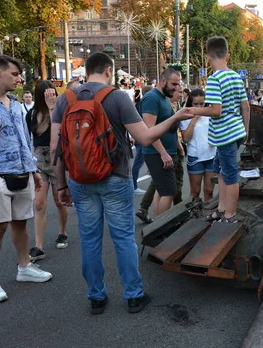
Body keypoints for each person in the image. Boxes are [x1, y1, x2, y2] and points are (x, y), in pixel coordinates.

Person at [51, 52, 193, 314]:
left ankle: (96, 297)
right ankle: (133, 295)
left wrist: (61, 185)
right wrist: (174, 118)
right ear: (108, 71)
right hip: (115, 177)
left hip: (80, 181)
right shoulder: (116, 97)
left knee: (90, 239)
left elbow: (56, 147)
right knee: (123, 237)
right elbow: (145, 137)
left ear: (87, 71)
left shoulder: (66, 99)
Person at [0, 55, 52, 303]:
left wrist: (33, 170)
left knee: (20, 223)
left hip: (23, 172)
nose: (19, 79)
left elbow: (24, 141)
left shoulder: (15, 105)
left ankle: (24, 267)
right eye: (14, 74)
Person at [187, 36, 249, 223]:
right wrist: (246, 130)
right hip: (236, 132)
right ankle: (222, 209)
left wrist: (192, 110)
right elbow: (245, 106)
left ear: (208, 57)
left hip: (224, 135)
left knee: (229, 175)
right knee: (221, 171)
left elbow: (216, 110)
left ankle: (230, 214)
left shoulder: (215, 79)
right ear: (227, 55)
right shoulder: (236, 76)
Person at [26, 81, 69, 261]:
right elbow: (38, 134)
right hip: (39, 159)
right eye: (46, 94)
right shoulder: (33, 113)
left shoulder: (60, 111)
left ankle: (62, 232)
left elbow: (57, 134)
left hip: (56, 158)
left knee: (59, 200)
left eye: (52, 93)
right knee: (39, 203)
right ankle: (38, 245)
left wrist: (53, 109)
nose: (50, 96)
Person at [140, 67, 182, 216]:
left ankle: (158, 226)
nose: (177, 88)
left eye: (178, 84)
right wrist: (163, 153)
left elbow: (169, 126)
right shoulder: (152, 98)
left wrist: (178, 147)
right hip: (157, 154)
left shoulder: (163, 98)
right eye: (174, 84)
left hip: (166, 152)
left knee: (162, 190)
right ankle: (162, 228)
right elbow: (150, 129)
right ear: (163, 80)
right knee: (170, 191)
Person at [180, 88, 216, 202]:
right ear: (191, 103)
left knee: (209, 190)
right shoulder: (185, 115)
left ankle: (207, 217)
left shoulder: (210, 113)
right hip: (195, 157)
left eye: (202, 103)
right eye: (196, 104)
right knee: (195, 192)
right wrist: (194, 119)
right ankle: (194, 216)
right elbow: (185, 138)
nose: (199, 107)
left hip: (211, 155)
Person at [132, 85, 153, 196]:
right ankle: (133, 185)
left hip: (140, 135)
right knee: (139, 161)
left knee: (143, 159)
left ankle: (150, 171)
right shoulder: (145, 104)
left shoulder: (139, 104)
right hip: (142, 135)